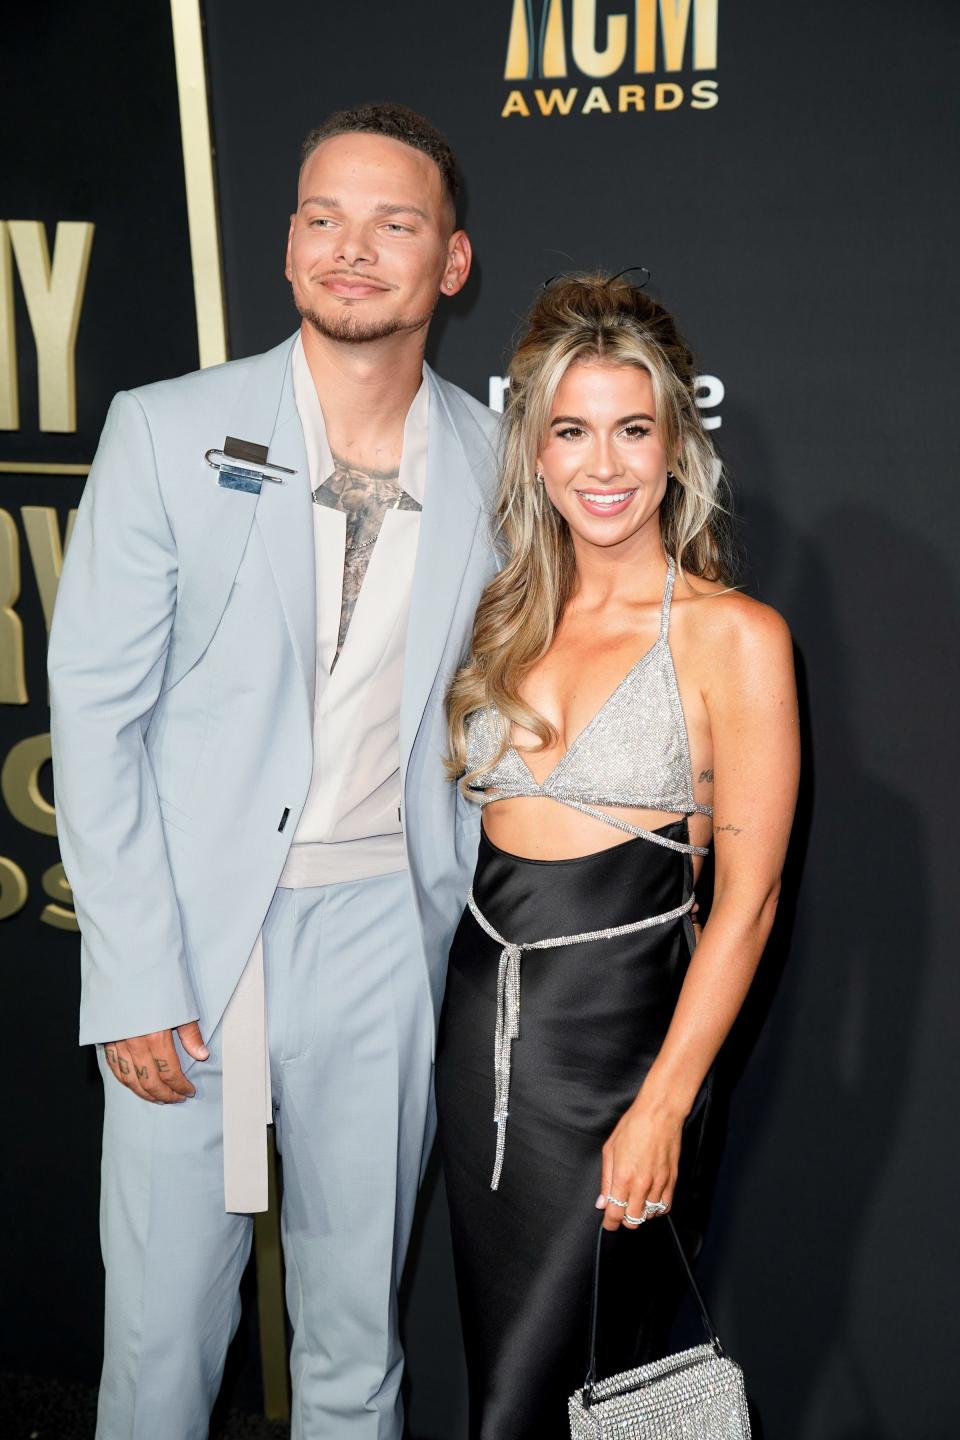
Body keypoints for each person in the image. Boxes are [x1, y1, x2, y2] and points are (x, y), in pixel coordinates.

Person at [48, 103, 497, 1440]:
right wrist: (132, 972)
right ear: (290, 243)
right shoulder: (164, 428)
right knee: (163, 1336)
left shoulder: (497, 460)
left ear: (452, 263)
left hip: (384, 938)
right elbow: (95, 716)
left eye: (393, 223)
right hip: (192, 941)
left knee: (358, 1334)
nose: (351, 250)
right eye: (322, 217)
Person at [436, 274, 800, 1439]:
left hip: (625, 1058)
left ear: (677, 446)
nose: (605, 464)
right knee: (509, 1379)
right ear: (534, 452)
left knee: (581, 1386)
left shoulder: (733, 636)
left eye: (634, 429)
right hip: (479, 1049)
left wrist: (665, 1106)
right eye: (572, 431)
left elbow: (747, 903)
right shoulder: (506, 616)